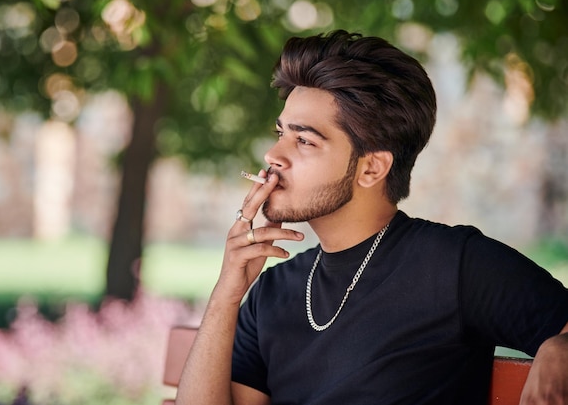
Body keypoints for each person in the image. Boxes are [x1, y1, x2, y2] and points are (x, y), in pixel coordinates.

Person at [175, 30, 568, 405]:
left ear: (371, 169)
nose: (273, 155)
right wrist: (227, 295)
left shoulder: (454, 266)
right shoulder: (272, 293)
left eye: (304, 140)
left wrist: (559, 345)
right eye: (280, 133)